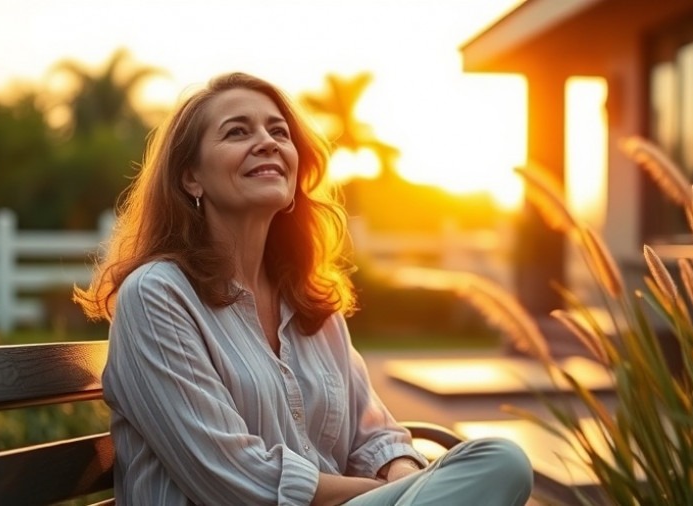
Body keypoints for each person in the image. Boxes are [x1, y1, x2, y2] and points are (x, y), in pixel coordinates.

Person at [75, 71, 534, 505]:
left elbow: (375, 435)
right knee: (499, 465)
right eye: (237, 132)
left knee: (497, 460)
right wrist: (393, 493)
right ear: (190, 177)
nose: (267, 143)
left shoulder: (311, 302)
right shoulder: (158, 296)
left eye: (279, 132)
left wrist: (402, 479)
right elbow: (229, 477)